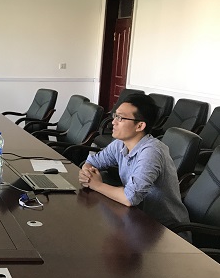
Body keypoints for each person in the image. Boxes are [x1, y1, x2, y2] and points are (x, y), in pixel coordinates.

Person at [78, 94, 190, 229]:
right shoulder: (120, 143)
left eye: (120, 118)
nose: (113, 122)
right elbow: (93, 161)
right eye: (115, 116)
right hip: (135, 219)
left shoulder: (152, 152)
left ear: (140, 126)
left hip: (165, 229)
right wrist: (87, 172)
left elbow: (129, 198)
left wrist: (96, 184)